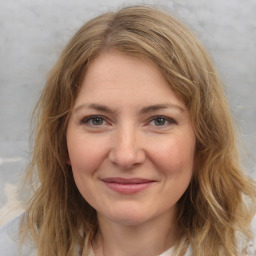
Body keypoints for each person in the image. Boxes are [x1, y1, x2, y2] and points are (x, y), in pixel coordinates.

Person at [1, 4, 255, 256]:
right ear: (61, 141)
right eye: (97, 120)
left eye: (159, 121)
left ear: (203, 141)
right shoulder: (14, 247)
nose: (125, 156)